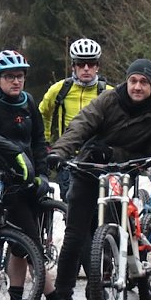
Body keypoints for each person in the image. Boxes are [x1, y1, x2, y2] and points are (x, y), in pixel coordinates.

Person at [48, 59, 151, 300]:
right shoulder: (108, 99)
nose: (137, 87)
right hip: (89, 169)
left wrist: (115, 155)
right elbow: (82, 123)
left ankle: (99, 296)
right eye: (133, 81)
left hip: (122, 175)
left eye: (143, 82)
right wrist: (60, 151)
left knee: (117, 233)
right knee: (74, 236)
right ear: (126, 81)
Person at [0, 49, 61, 300]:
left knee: (20, 248)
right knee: (31, 241)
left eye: (20, 76)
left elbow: (37, 139)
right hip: (1, 181)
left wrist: (43, 172)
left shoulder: (27, 101)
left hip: (28, 178)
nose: (16, 82)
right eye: (9, 77)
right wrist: (13, 153)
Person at [38, 37, 112, 198]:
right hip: (68, 158)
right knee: (70, 203)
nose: (86, 68)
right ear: (73, 66)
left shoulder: (108, 92)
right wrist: (46, 142)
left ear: (97, 66)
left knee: (98, 206)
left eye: (91, 64)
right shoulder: (59, 90)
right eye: (80, 64)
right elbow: (43, 114)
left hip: (97, 158)